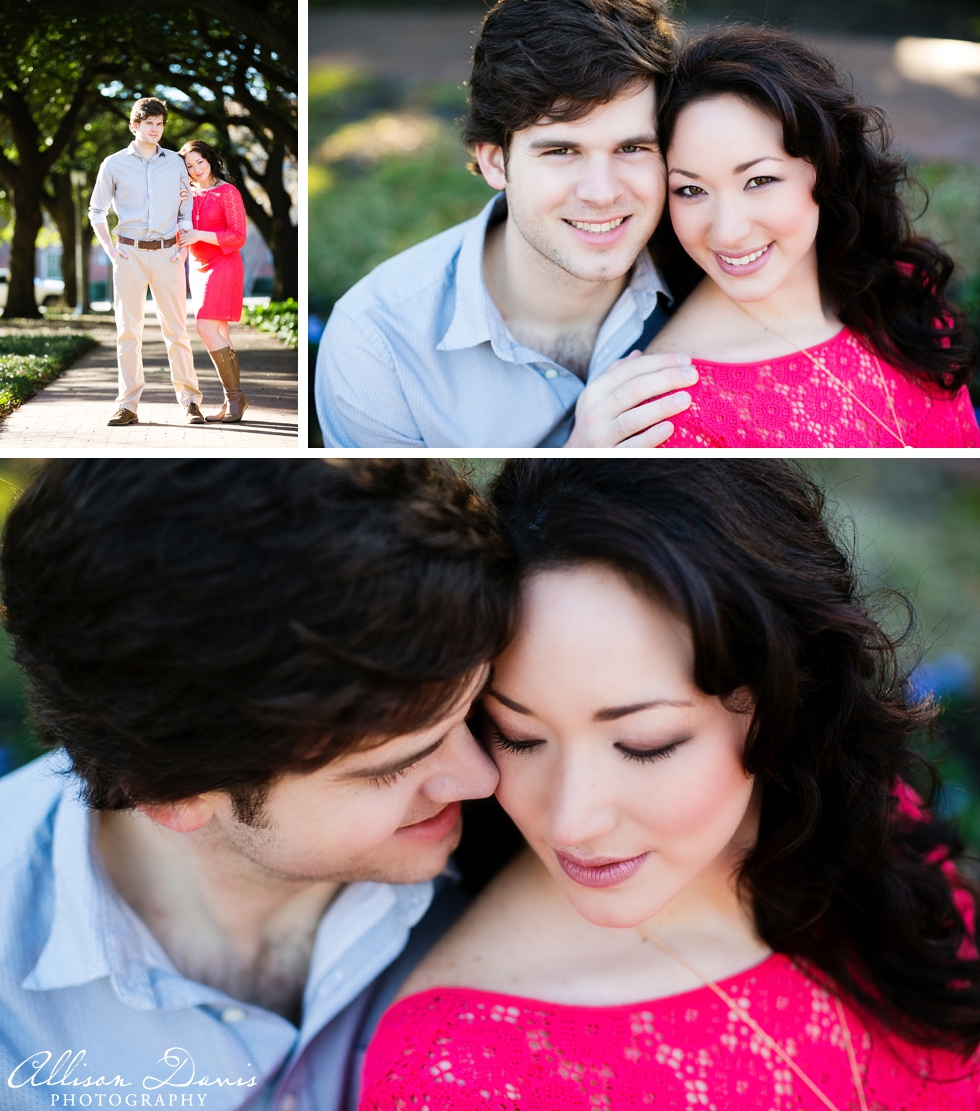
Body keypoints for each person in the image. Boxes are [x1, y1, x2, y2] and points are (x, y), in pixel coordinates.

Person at [359, 460, 980, 1110]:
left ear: (779, 697)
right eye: (518, 735)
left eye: (644, 743)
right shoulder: (454, 1077)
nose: (571, 823)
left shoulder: (856, 821)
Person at [0, 459, 515, 1111]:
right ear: (173, 794)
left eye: (474, 708)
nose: (484, 775)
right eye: (391, 765)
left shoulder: (538, 837)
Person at [315, 0, 699, 449]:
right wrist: (573, 463)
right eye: (561, 151)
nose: (602, 192)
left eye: (632, 148)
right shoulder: (378, 343)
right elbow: (396, 522)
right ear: (496, 162)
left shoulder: (714, 270)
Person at [647, 27, 980, 447]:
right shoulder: (674, 411)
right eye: (691, 190)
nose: (728, 232)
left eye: (759, 179)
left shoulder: (899, 283)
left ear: (825, 165)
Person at [89, 97, 206, 426]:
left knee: (177, 331)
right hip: (129, 254)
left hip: (168, 254)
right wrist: (111, 251)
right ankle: (128, 404)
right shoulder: (113, 164)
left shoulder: (176, 163)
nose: (155, 130)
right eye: (148, 124)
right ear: (134, 126)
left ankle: (189, 401)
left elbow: (186, 209)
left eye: (159, 124)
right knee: (128, 332)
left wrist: (182, 246)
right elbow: (96, 210)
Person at [178, 140, 249, 423]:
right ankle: (233, 401)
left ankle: (235, 398)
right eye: (189, 166)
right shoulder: (188, 194)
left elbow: (238, 237)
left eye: (200, 163)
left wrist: (199, 235)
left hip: (223, 264)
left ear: (211, 160)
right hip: (197, 267)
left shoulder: (227, 192)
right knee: (220, 332)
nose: (196, 170)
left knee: (204, 326)